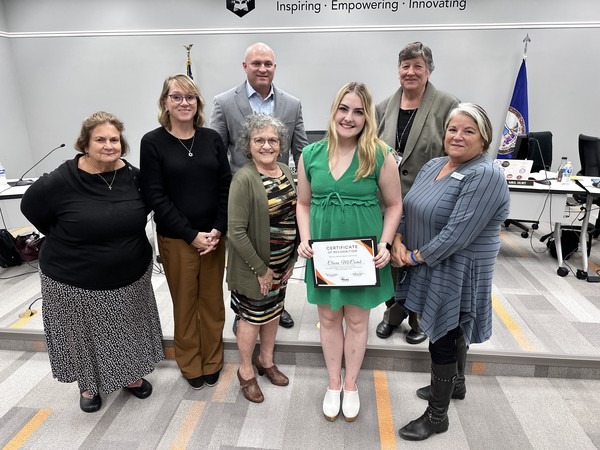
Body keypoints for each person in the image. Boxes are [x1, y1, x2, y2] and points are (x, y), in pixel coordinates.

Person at [20, 111, 164, 413]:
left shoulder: (134, 177)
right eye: (100, 139)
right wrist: (69, 235)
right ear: (85, 143)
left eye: (114, 139)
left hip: (131, 274)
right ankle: (88, 385)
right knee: (82, 334)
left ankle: (129, 376)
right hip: (72, 277)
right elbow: (31, 208)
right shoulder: (60, 180)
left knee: (127, 328)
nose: (108, 145)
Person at [392, 103, 510, 441]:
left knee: (442, 335)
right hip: (428, 261)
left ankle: (437, 416)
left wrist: (411, 258)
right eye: (452, 129)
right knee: (453, 326)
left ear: (484, 138)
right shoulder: (434, 165)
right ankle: (455, 384)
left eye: (468, 131)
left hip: (458, 267)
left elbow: (457, 234)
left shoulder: (485, 174)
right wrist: (398, 240)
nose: (457, 136)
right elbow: (408, 206)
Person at [297, 82, 402, 422]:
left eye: (358, 111)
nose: (349, 117)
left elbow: (395, 204)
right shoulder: (310, 155)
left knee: (357, 320)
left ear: (367, 116)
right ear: (334, 111)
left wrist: (386, 243)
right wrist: (305, 237)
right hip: (325, 254)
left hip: (364, 256)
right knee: (328, 318)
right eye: (344, 109)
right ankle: (332, 382)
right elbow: (302, 202)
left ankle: (352, 384)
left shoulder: (380, 154)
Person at [140, 74, 231, 390]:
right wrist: (190, 234)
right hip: (178, 239)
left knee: (212, 303)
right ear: (165, 101)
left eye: (190, 97)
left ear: (198, 103)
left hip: (214, 239)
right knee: (186, 303)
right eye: (176, 97)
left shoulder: (211, 139)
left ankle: (213, 360)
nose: (183, 103)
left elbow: (225, 185)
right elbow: (155, 196)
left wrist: (219, 228)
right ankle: (191, 362)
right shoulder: (152, 143)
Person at [210, 41, 309, 330]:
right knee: (247, 254)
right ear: (245, 67)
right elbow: (217, 154)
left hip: (281, 196)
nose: (262, 68)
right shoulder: (225, 101)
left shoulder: (292, 104)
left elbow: (301, 151)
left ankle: (277, 303)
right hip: (245, 195)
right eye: (256, 63)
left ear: (274, 67)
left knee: (279, 248)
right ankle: (245, 308)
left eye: (268, 64)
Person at [375, 41, 460, 344]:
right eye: (405, 66)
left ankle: (418, 317)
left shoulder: (448, 105)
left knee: (419, 261)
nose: (410, 72)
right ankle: (393, 312)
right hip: (387, 203)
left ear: (428, 71)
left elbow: (456, 153)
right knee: (388, 259)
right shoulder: (383, 108)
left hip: (428, 201)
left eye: (417, 66)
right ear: (398, 70)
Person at [227, 114, 298, 403]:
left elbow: (295, 214)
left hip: (281, 265)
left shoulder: (284, 170)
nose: (267, 145)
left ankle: (266, 361)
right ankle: (245, 371)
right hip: (255, 268)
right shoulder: (244, 178)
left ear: (280, 145)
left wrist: (291, 261)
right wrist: (261, 269)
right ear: (249, 144)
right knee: (251, 319)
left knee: (273, 313)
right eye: (260, 140)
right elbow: (236, 231)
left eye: (273, 140)